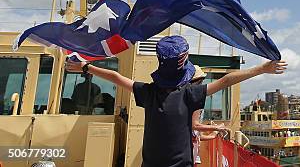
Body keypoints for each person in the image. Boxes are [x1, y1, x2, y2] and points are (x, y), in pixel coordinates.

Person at [65, 35, 287, 167]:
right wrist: (262, 68)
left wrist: (85, 67)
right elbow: (226, 81)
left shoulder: (148, 93)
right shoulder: (189, 95)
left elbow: (116, 77)